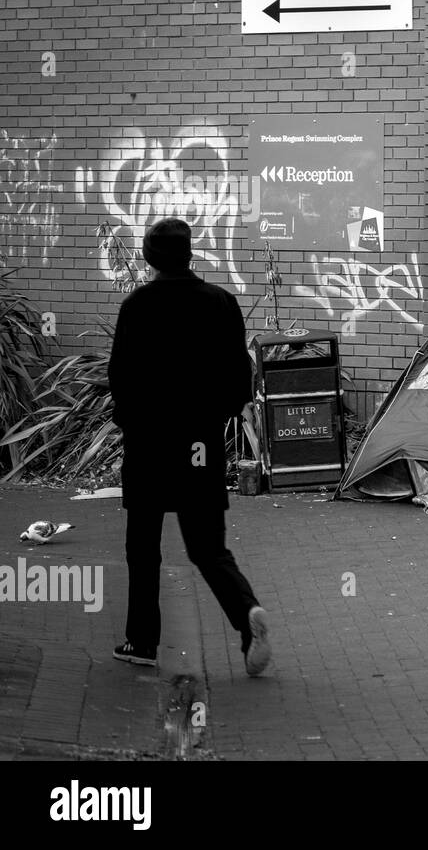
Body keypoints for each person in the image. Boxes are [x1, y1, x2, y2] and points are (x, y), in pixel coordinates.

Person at [107, 218, 271, 676]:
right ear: (190, 253)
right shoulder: (220, 303)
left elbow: (120, 377)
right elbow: (240, 380)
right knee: (208, 549)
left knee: (143, 549)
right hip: (199, 443)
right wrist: (211, 417)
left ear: (148, 256)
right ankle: (246, 615)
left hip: (148, 444)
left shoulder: (137, 305)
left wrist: (132, 421)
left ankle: (142, 642)